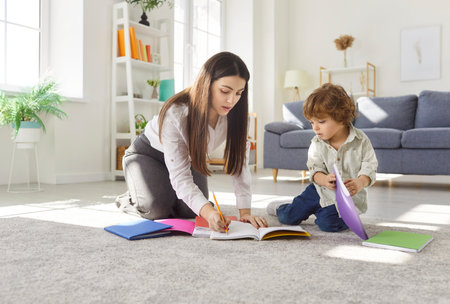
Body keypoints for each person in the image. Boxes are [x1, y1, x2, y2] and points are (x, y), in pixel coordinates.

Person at [116, 51, 267, 232]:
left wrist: (245, 213)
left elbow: (240, 166)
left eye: (238, 93)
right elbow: (180, 178)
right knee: (157, 209)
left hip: (188, 157)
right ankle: (129, 197)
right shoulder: (176, 113)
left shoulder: (238, 118)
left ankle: (159, 190)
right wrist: (209, 212)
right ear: (207, 84)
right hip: (148, 155)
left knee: (190, 210)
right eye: (225, 91)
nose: (231, 100)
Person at [266, 83, 378, 232]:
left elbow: (370, 167)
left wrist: (360, 182)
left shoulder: (361, 140)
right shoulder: (317, 144)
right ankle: (283, 207)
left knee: (328, 224)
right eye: (312, 122)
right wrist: (324, 180)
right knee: (288, 217)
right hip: (318, 191)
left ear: (341, 118)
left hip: (347, 200)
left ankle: (325, 213)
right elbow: (315, 170)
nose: (315, 127)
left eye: (321, 122)